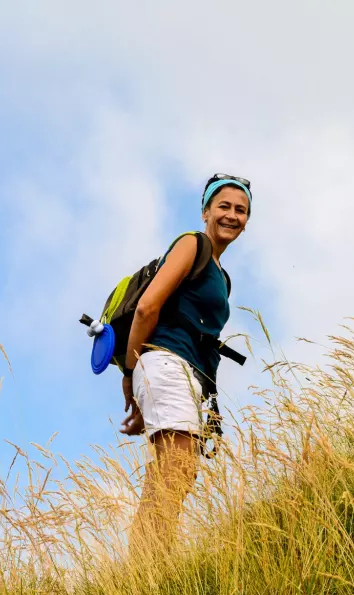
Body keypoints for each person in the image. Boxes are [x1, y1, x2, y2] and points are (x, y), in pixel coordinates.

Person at [118, 173, 251, 556]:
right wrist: (131, 373)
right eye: (223, 206)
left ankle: (148, 569)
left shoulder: (221, 276)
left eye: (241, 210)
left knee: (174, 472)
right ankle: (149, 570)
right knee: (175, 470)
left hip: (182, 373)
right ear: (206, 211)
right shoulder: (193, 244)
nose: (232, 215)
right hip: (165, 363)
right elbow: (147, 307)